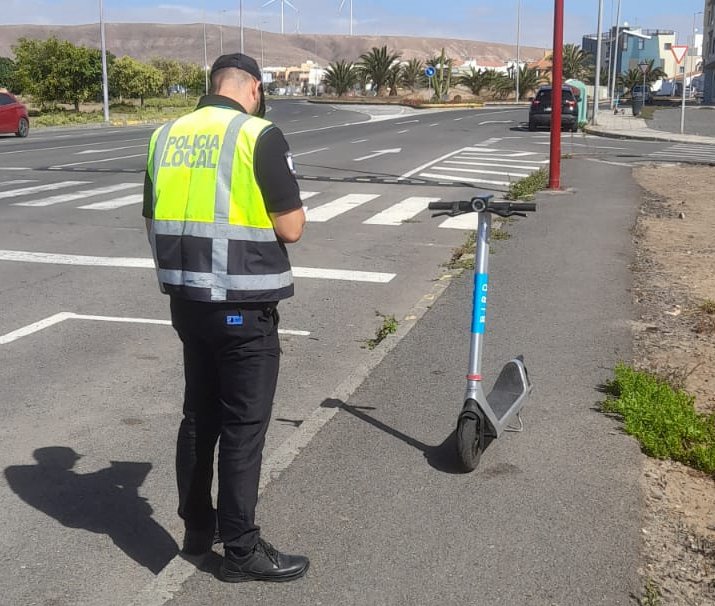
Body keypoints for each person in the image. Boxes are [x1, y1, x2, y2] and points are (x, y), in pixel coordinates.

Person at [142, 53, 308, 583]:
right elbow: (292, 228)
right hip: (243, 307)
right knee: (243, 428)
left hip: (187, 303)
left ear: (212, 85)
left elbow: (153, 216)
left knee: (199, 417)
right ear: (253, 89)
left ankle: (197, 529)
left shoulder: (164, 135)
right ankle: (240, 550)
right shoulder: (258, 135)